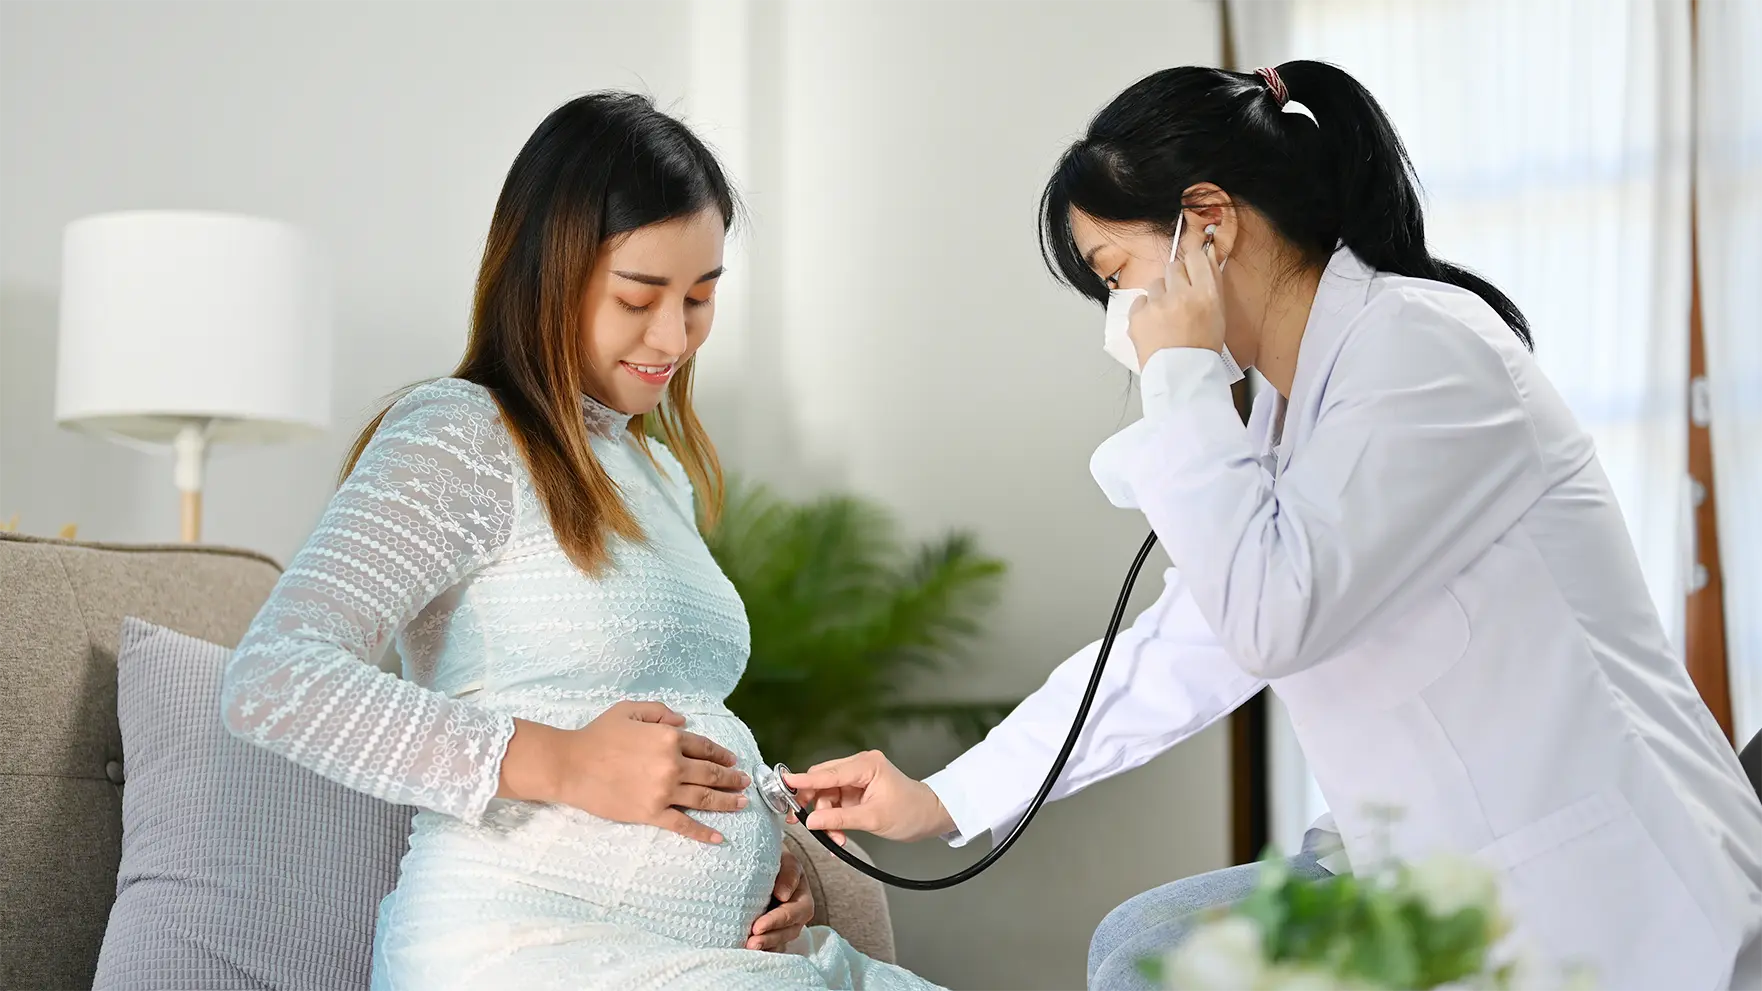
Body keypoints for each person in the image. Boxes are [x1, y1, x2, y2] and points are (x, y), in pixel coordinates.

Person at [783, 62, 1762, 991]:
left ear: (1208, 225)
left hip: (1598, 889)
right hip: (1435, 865)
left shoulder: (1423, 353)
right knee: (1145, 946)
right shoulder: (1302, 411)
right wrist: (946, 795)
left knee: (1151, 955)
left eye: (1117, 272)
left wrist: (1179, 376)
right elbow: (1182, 647)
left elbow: (1270, 616)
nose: (1120, 315)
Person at [222, 92, 946, 991]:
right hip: (523, 955)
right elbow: (273, 680)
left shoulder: (656, 472)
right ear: (547, 273)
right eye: (640, 297)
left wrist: (766, 861)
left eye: (701, 297)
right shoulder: (459, 434)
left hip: (712, 955)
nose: (674, 336)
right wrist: (561, 760)